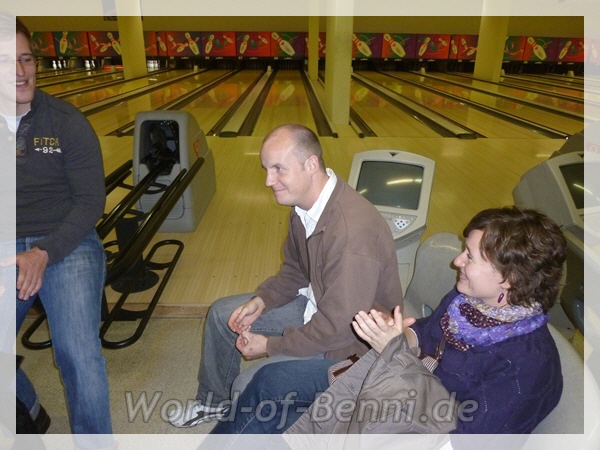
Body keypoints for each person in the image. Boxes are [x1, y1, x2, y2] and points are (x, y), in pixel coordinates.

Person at [207, 206, 566, 438]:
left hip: (414, 426)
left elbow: (451, 437)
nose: (457, 261)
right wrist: (398, 334)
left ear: (509, 279)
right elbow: (424, 333)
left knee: (286, 426)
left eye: (470, 257)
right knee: (271, 380)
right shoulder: (468, 300)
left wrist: (394, 353)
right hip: (395, 384)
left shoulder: (525, 367)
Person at [169, 123, 403, 427]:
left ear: (311, 165)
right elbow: (295, 269)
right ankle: (213, 403)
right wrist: (263, 300)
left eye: (279, 169)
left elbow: (338, 328)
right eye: (266, 169)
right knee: (221, 314)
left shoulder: (350, 233)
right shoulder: (304, 206)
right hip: (317, 308)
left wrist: (270, 345)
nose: (269, 181)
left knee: (249, 386)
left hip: (349, 346)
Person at [9, 18, 112, 435]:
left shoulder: (66, 121)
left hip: (68, 241)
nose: (20, 71)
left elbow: (91, 202)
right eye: (6, 62)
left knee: (78, 354)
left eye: (26, 59)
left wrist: (44, 251)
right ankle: (30, 411)